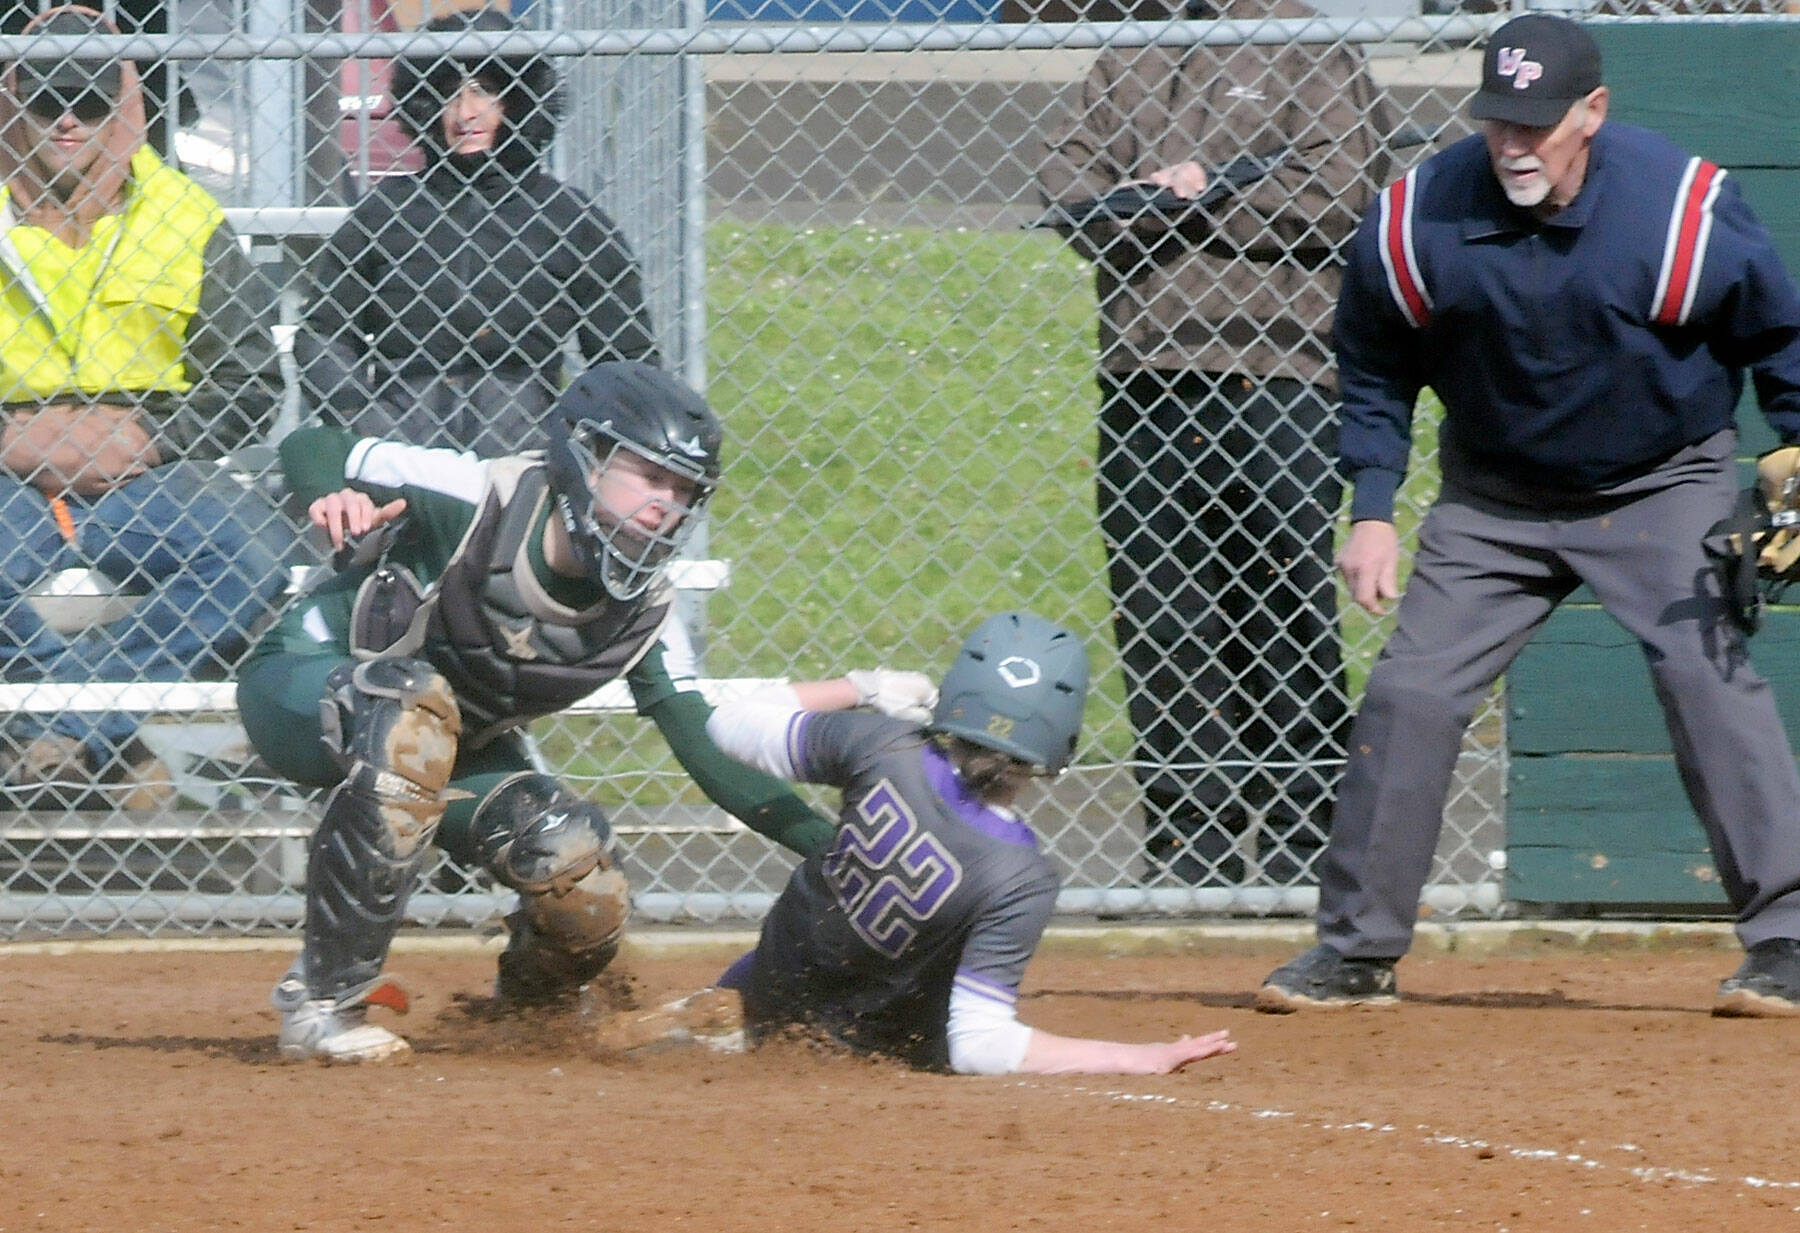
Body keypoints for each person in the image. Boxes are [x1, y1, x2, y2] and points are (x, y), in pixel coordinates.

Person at [1256, 13, 1800, 1016]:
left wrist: (1794, 459)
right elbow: (1373, 366)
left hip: (1659, 482)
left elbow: (1779, 334)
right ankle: (1355, 951)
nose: (1512, 143)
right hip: (1495, 500)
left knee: (1707, 679)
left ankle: (1788, 941)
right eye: (1497, 121)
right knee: (1411, 695)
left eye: (1536, 124)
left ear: (1592, 112)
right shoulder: (1416, 216)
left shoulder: (1679, 208)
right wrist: (1370, 507)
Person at [240, 360, 939, 1062]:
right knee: (408, 707)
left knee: (580, 873)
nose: (666, 505)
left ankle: (527, 1023)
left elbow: (707, 747)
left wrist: (843, 856)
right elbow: (314, 443)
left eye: (684, 491)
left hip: (448, 749)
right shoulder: (481, 495)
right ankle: (324, 1004)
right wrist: (330, 492)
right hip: (305, 685)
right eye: (650, 477)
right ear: (587, 457)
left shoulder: (647, 611)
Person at [1035, 0, 1392, 886]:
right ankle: (1188, 844)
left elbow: (1338, 195)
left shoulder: (1311, 46)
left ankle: (1307, 838)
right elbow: (1068, 189)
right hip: (1144, 376)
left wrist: (1199, 189)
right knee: (1163, 617)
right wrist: (1185, 196)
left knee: (1284, 607)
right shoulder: (1133, 52)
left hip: (1280, 374)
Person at [605, 612, 1239, 1075]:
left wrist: (863, 688)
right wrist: (1135, 1056)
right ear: (1059, 742)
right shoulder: (1021, 875)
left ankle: (715, 1015)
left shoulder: (882, 746)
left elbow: (729, 723)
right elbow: (980, 1044)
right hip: (860, 1057)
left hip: (769, 982)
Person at [0, 6, 286, 803]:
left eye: (88, 100)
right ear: (12, 98)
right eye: (46, 98)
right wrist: (12, 441)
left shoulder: (186, 218)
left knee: (254, 553)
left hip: (147, 472)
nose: (67, 120)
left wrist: (150, 435)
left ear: (123, 103)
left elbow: (252, 384)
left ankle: (65, 727)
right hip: (10, 469)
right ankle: (105, 734)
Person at [294, 6, 658, 456]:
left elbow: (627, 362)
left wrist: (576, 446)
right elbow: (324, 332)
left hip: (527, 454)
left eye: (484, 91)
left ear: (517, 100)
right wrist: (365, 421)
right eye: (448, 95)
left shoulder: (570, 221)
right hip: (400, 448)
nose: (465, 113)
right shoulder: (386, 212)